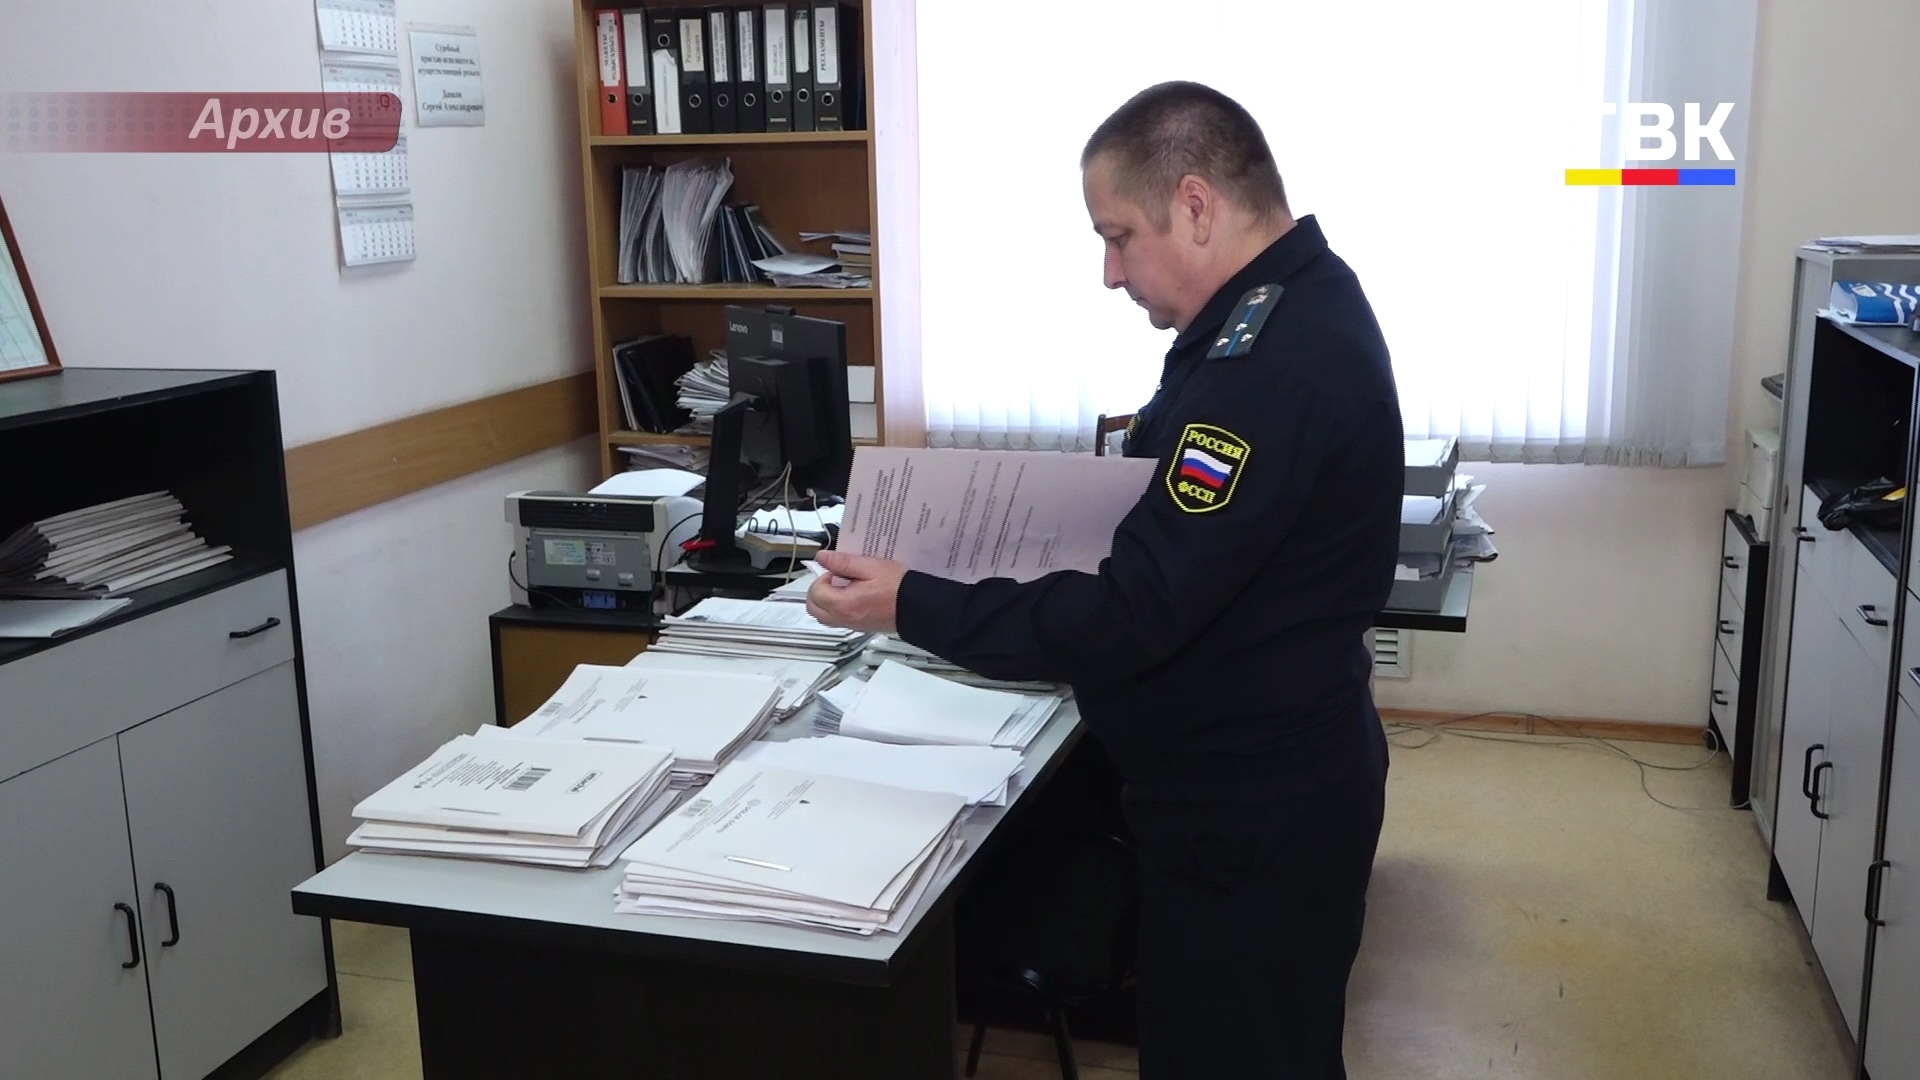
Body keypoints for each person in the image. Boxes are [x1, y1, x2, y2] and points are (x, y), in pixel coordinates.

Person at [806, 81, 1403, 1079]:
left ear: (1197, 206)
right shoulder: (1274, 313)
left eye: (1119, 236)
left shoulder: (1270, 368)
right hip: (1253, 785)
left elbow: (1137, 610)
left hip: (1251, 815)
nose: (1110, 272)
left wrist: (908, 600)